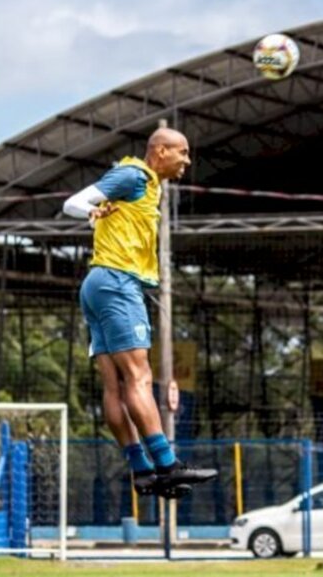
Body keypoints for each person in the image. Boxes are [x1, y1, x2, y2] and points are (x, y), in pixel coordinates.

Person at [63, 127, 217, 498]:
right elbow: (73, 203)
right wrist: (92, 208)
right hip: (117, 283)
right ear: (161, 151)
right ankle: (166, 464)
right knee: (139, 378)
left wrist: (96, 211)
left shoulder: (150, 186)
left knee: (115, 385)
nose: (187, 160)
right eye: (183, 152)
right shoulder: (134, 175)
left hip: (98, 284)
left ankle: (141, 470)